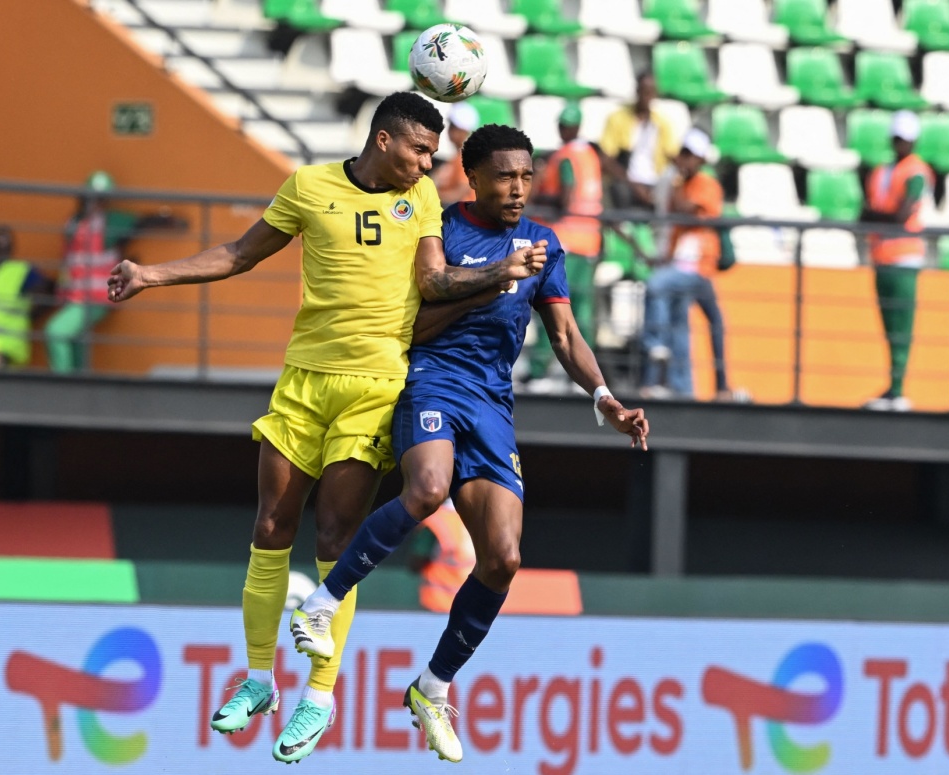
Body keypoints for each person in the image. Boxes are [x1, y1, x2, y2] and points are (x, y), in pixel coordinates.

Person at [106, 93, 545, 764]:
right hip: (304, 380)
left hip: (375, 386)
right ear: (383, 141)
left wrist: (495, 274)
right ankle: (258, 679)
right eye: (420, 150)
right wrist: (149, 274)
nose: (428, 164)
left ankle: (318, 694)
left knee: (336, 536)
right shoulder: (308, 187)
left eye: (433, 154)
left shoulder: (422, 199)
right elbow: (240, 253)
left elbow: (433, 282)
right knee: (270, 526)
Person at [287, 123, 650, 763]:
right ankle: (322, 602)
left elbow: (565, 336)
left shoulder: (542, 243)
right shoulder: (438, 227)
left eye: (526, 177)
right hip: (432, 378)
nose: (518, 189)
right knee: (427, 489)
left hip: (492, 402)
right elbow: (412, 323)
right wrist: (489, 278)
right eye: (505, 177)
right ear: (473, 177)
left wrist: (605, 399)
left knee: (504, 558)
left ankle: (432, 687)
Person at [45, 171, 181, 373]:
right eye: (90, 197)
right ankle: (79, 388)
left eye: (99, 199)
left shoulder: (109, 221)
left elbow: (141, 223)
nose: (92, 203)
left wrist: (169, 220)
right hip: (74, 297)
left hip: (96, 298)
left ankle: (63, 388)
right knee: (77, 344)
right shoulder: (74, 223)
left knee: (55, 331)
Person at [640, 128, 732, 400]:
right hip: (679, 264)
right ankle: (683, 388)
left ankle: (656, 346)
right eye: (683, 153)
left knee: (656, 285)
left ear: (701, 159)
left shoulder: (706, 184)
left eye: (690, 155)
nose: (684, 159)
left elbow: (686, 210)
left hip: (698, 267)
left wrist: (677, 178)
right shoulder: (680, 185)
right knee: (679, 323)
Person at [526, 103, 605, 388]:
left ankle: (540, 371)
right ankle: (587, 378)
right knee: (582, 311)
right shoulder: (590, 155)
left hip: (566, 242)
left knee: (552, 306)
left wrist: (538, 200)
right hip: (588, 241)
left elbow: (566, 198)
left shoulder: (566, 157)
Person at [860, 111, 932, 412]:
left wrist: (877, 217)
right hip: (882, 256)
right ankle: (892, 387)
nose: (901, 144)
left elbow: (901, 216)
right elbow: (865, 213)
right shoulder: (882, 171)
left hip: (904, 257)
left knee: (901, 326)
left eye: (906, 139)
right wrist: (880, 217)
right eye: (898, 138)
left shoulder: (916, 171)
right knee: (890, 326)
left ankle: (898, 389)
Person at [0, 226, 54, 372]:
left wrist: (32, 315)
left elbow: (50, 290)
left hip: (3, 347)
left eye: (5, 243)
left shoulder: (21, 271)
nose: (1, 247)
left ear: (12, 248)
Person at [600, 72, 678, 212]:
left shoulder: (662, 123)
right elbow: (606, 159)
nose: (647, 97)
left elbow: (672, 155)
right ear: (637, 91)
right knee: (619, 190)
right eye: (644, 92)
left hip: (654, 182)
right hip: (626, 182)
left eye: (650, 92)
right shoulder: (618, 118)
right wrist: (634, 186)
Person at [409, 498, 475, 614]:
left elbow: (417, 560)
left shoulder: (437, 520)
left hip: (440, 603)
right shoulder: (481, 518)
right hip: (476, 605)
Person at [431, 102, 479, 207]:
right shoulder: (455, 158)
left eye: (453, 126)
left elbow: (458, 194)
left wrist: (428, 196)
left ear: (464, 131)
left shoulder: (467, 159)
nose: (450, 129)